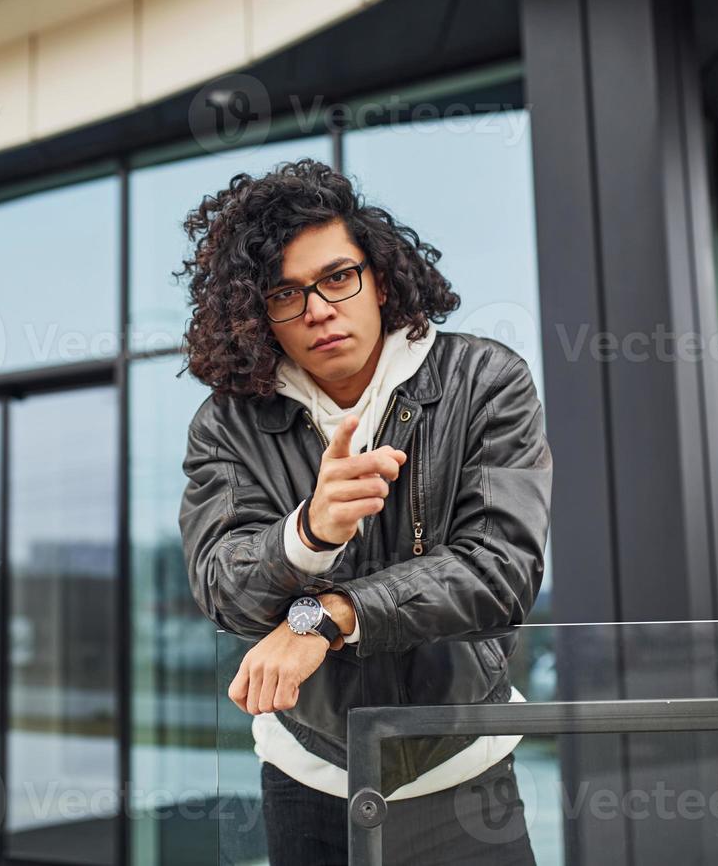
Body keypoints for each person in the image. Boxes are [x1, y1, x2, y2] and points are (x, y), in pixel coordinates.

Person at [176, 158, 552, 865]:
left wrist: (325, 617)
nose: (318, 308)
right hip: (308, 772)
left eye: (337, 277)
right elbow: (221, 586)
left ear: (378, 277)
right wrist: (309, 532)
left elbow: (501, 571)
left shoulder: (485, 381)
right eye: (286, 294)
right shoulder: (227, 424)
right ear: (261, 317)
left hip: (463, 764)